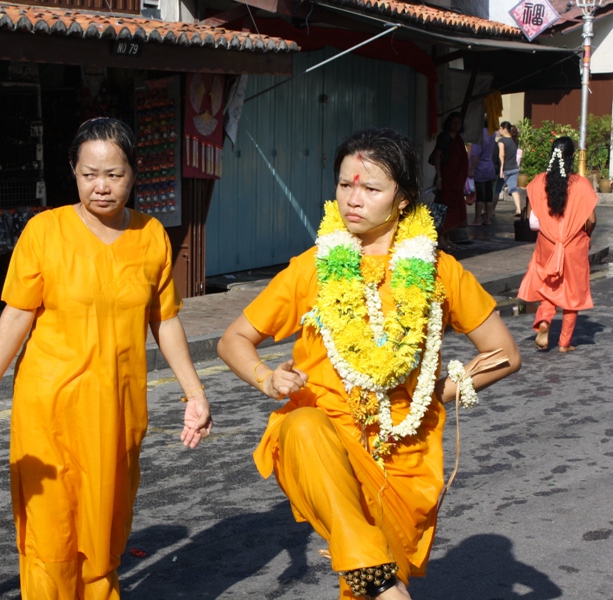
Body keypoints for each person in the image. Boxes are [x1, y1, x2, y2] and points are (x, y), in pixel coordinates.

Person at [217, 128, 521, 600]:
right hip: (328, 445)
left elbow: (504, 354)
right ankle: (378, 577)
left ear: (403, 200)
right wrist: (266, 377)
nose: (352, 199)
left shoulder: (437, 269)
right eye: (344, 185)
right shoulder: (314, 266)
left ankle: (376, 578)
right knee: (300, 427)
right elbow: (234, 338)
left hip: (408, 455)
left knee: (365, 591)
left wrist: (438, 392)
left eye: (370, 188)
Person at [0, 117, 212, 599]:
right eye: (90, 173)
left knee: (105, 530)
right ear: (72, 172)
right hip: (48, 412)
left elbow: (166, 319)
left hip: (117, 413)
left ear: (134, 175)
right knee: (51, 533)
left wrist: (194, 393)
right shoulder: (44, 231)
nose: (101, 186)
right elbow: (16, 317)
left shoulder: (151, 235)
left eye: (114, 174)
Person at [518, 136, 597, 353]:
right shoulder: (581, 184)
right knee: (573, 293)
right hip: (574, 244)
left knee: (548, 287)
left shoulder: (537, 182)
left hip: (547, 242)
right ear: (571, 158)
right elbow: (591, 220)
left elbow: (531, 212)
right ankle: (564, 343)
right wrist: (586, 236)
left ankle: (544, 321)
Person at [432, 112, 469, 251]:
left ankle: (447, 238)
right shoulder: (444, 137)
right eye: (454, 122)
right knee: (444, 208)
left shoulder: (458, 139)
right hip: (446, 178)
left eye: (458, 123)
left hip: (456, 180)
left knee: (454, 209)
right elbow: (437, 156)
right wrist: (439, 178)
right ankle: (440, 238)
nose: (456, 125)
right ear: (448, 123)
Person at [468, 119, 497, 226]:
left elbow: (475, 155)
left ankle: (477, 219)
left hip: (480, 168)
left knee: (480, 196)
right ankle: (488, 219)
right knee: (489, 195)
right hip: (489, 167)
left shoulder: (479, 136)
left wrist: (471, 169)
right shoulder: (492, 134)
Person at [498, 121, 522, 216]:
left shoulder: (502, 141)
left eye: (500, 128)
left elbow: (502, 155)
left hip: (506, 169)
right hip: (514, 168)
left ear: (504, 129)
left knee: (497, 190)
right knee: (513, 189)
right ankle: (518, 209)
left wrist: (501, 169)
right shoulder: (513, 140)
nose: (499, 130)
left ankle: (490, 211)